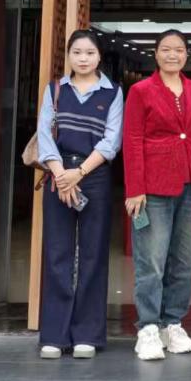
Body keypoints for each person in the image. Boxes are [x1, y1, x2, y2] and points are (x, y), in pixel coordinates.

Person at [36, 29, 123, 361]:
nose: (83, 58)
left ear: (99, 56)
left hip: (94, 176)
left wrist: (79, 173)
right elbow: (44, 134)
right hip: (58, 174)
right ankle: (54, 335)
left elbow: (111, 141)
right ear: (68, 56)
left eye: (89, 53)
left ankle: (87, 334)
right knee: (57, 254)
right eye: (77, 52)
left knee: (93, 254)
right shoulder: (55, 90)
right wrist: (61, 175)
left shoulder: (112, 92)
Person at [123, 29, 191, 362]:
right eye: (166, 49)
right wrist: (135, 188)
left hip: (190, 186)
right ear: (156, 54)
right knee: (152, 262)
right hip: (153, 188)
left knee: (186, 261)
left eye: (179, 50)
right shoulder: (141, 90)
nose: (173, 55)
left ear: (187, 55)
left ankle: (173, 322)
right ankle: (148, 326)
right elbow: (132, 140)